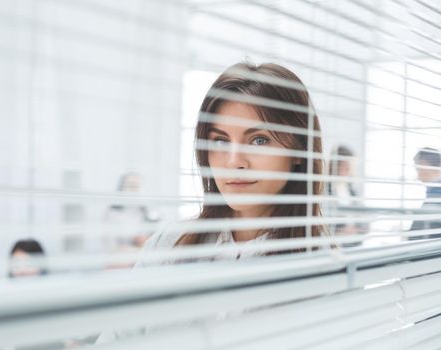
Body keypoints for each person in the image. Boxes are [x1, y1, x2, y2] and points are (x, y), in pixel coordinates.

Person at [138, 62, 324, 266]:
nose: (234, 161)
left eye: (259, 140)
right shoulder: (168, 246)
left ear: (299, 150)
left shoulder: (322, 264)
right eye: (220, 141)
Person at [410, 147, 441, 239]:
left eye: (417, 169)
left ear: (423, 164)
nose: (417, 177)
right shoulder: (435, 191)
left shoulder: (438, 191)